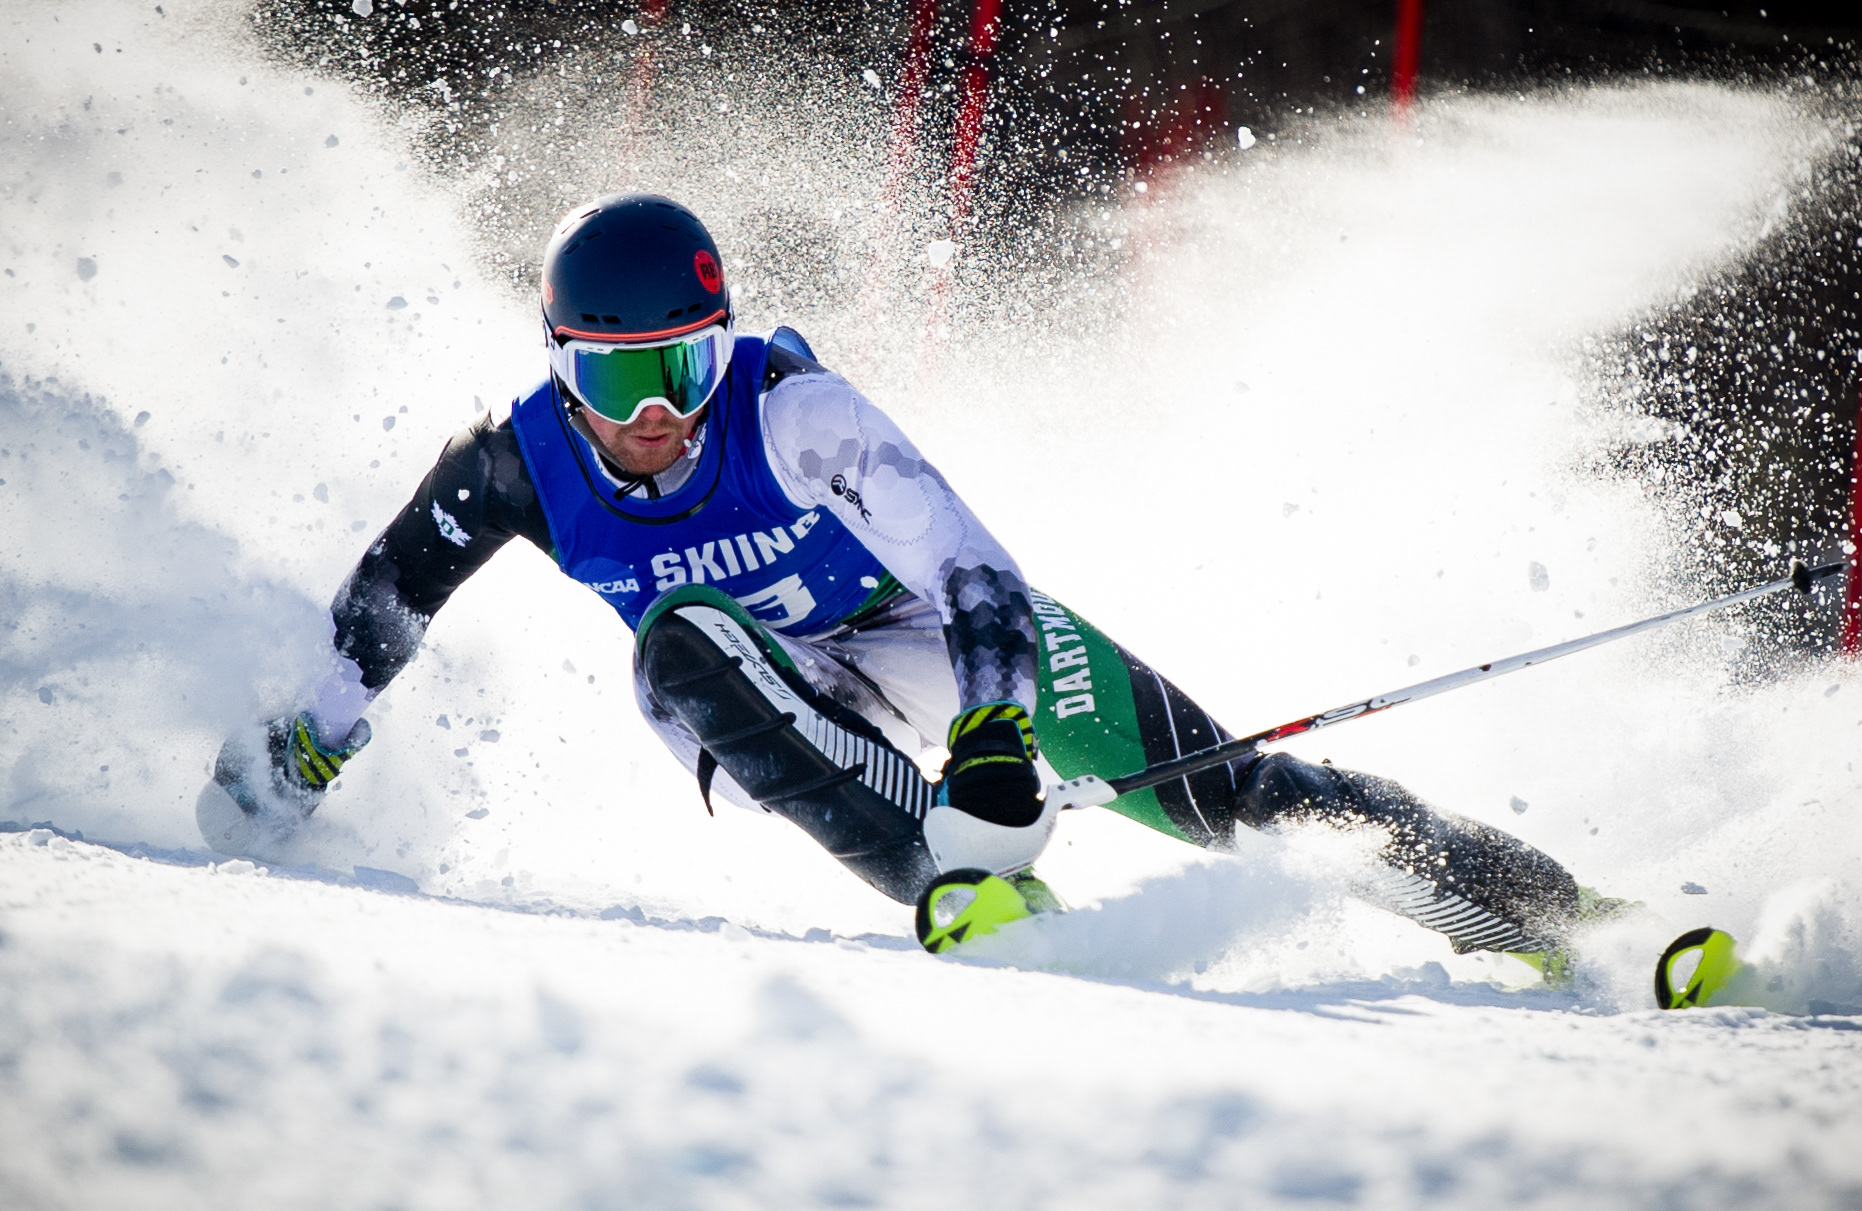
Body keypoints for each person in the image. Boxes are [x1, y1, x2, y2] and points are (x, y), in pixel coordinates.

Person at [199, 194, 1608, 965]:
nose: (660, 411)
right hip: (757, 684)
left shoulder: (795, 414)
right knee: (681, 640)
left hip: (923, 631)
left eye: (686, 364)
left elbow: (975, 568)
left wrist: (992, 729)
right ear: (562, 368)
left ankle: (1568, 925)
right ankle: (955, 879)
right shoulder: (510, 465)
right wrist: (307, 740)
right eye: (621, 379)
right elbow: (387, 603)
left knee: (1223, 791)